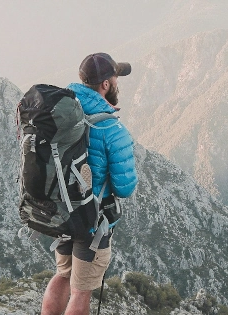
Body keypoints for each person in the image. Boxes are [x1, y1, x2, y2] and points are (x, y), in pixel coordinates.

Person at [41, 52, 137, 315]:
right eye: (116, 78)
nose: (118, 84)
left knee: (62, 275)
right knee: (81, 291)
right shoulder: (112, 130)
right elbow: (125, 188)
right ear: (106, 85)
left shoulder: (63, 112)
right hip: (90, 220)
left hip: (60, 211)